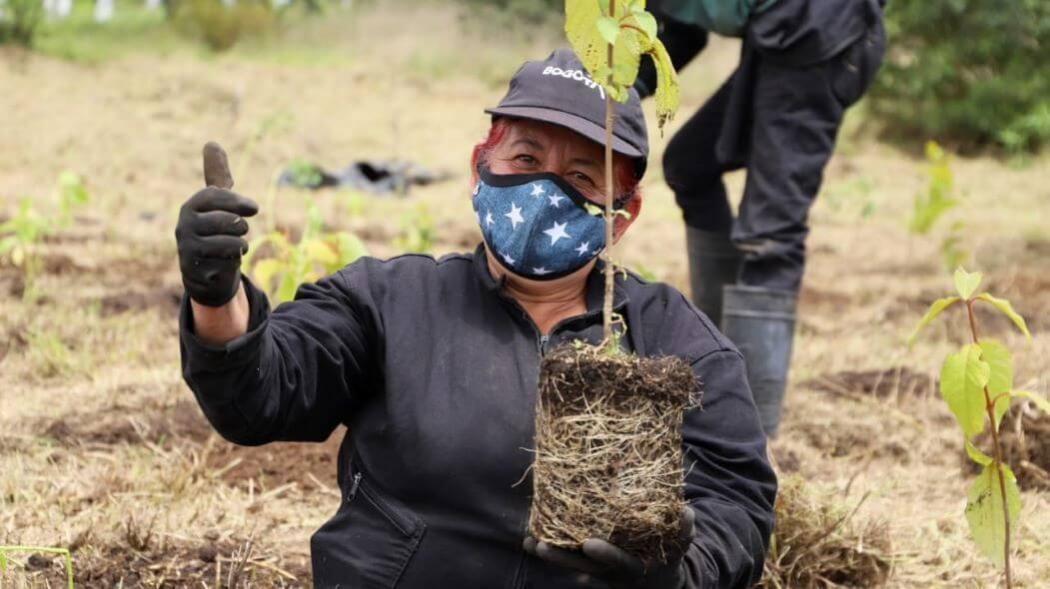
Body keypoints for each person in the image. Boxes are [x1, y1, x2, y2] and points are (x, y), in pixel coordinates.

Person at [176, 48, 776, 588]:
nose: (544, 188)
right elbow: (261, 396)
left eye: (581, 177)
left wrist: (676, 574)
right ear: (479, 168)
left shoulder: (676, 343)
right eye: (525, 156)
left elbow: (736, 503)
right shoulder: (389, 301)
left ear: (621, 215)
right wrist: (216, 293)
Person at [634, 0, 887, 437]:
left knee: (771, 236)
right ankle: (717, 363)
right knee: (690, 165)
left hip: (817, 29)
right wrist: (619, 84)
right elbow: (677, 31)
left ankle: (745, 438)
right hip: (776, 34)